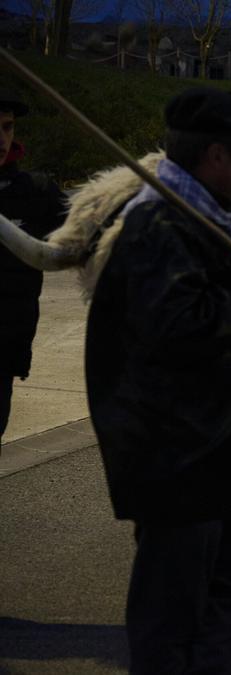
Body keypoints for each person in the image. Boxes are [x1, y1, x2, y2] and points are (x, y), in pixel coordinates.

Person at [86, 87, 231, 673]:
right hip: (179, 461)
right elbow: (176, 332)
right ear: (214, 157)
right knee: (172, 611)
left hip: (214, 460)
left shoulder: (201, 210)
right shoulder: (161, 227)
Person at [0, 88, 67, 447]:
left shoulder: (35, 192)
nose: (2, 139)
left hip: (5, 348)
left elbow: (91, 232)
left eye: (7, 127)